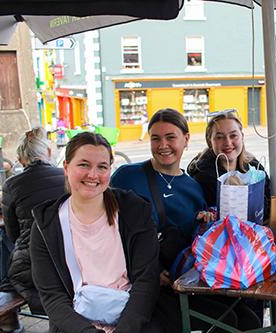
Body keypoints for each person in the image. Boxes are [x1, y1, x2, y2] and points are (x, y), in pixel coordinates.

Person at [111, 108, 260, 332]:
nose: (163, 145)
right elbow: (107, 228)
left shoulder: (193, 187)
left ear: (186, 139)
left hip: (182, 280)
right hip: (144, 284)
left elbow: (196, 240)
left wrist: (205, 223)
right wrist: (143, 270)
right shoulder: (127, 176)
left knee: (250, 319)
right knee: (225, 322)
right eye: (156, 138)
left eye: (171, 137)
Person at [30, 132, 161, 333]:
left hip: (133, 322)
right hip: (75, 327)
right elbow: (52, 296)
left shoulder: (135, 211)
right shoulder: (46, 224)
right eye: (84, 165)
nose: (93, 175)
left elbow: (146, 281)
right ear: (66, 167)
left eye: (102, 167)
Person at [0, 128, 65, 314]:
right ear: (49, 153)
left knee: (6, 245)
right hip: (71, 259)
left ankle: (8, 317)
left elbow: (12, 233)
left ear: (21, 160)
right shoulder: (67, 176)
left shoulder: (11, 185)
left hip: (32, 269)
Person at [187, 110, 271, 224]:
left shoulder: (255, 167)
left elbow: (269, 206)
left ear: (242, 136)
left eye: (233, 135)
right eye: (219, 137)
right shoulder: (201, 177)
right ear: (209, 141)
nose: (227, 142)